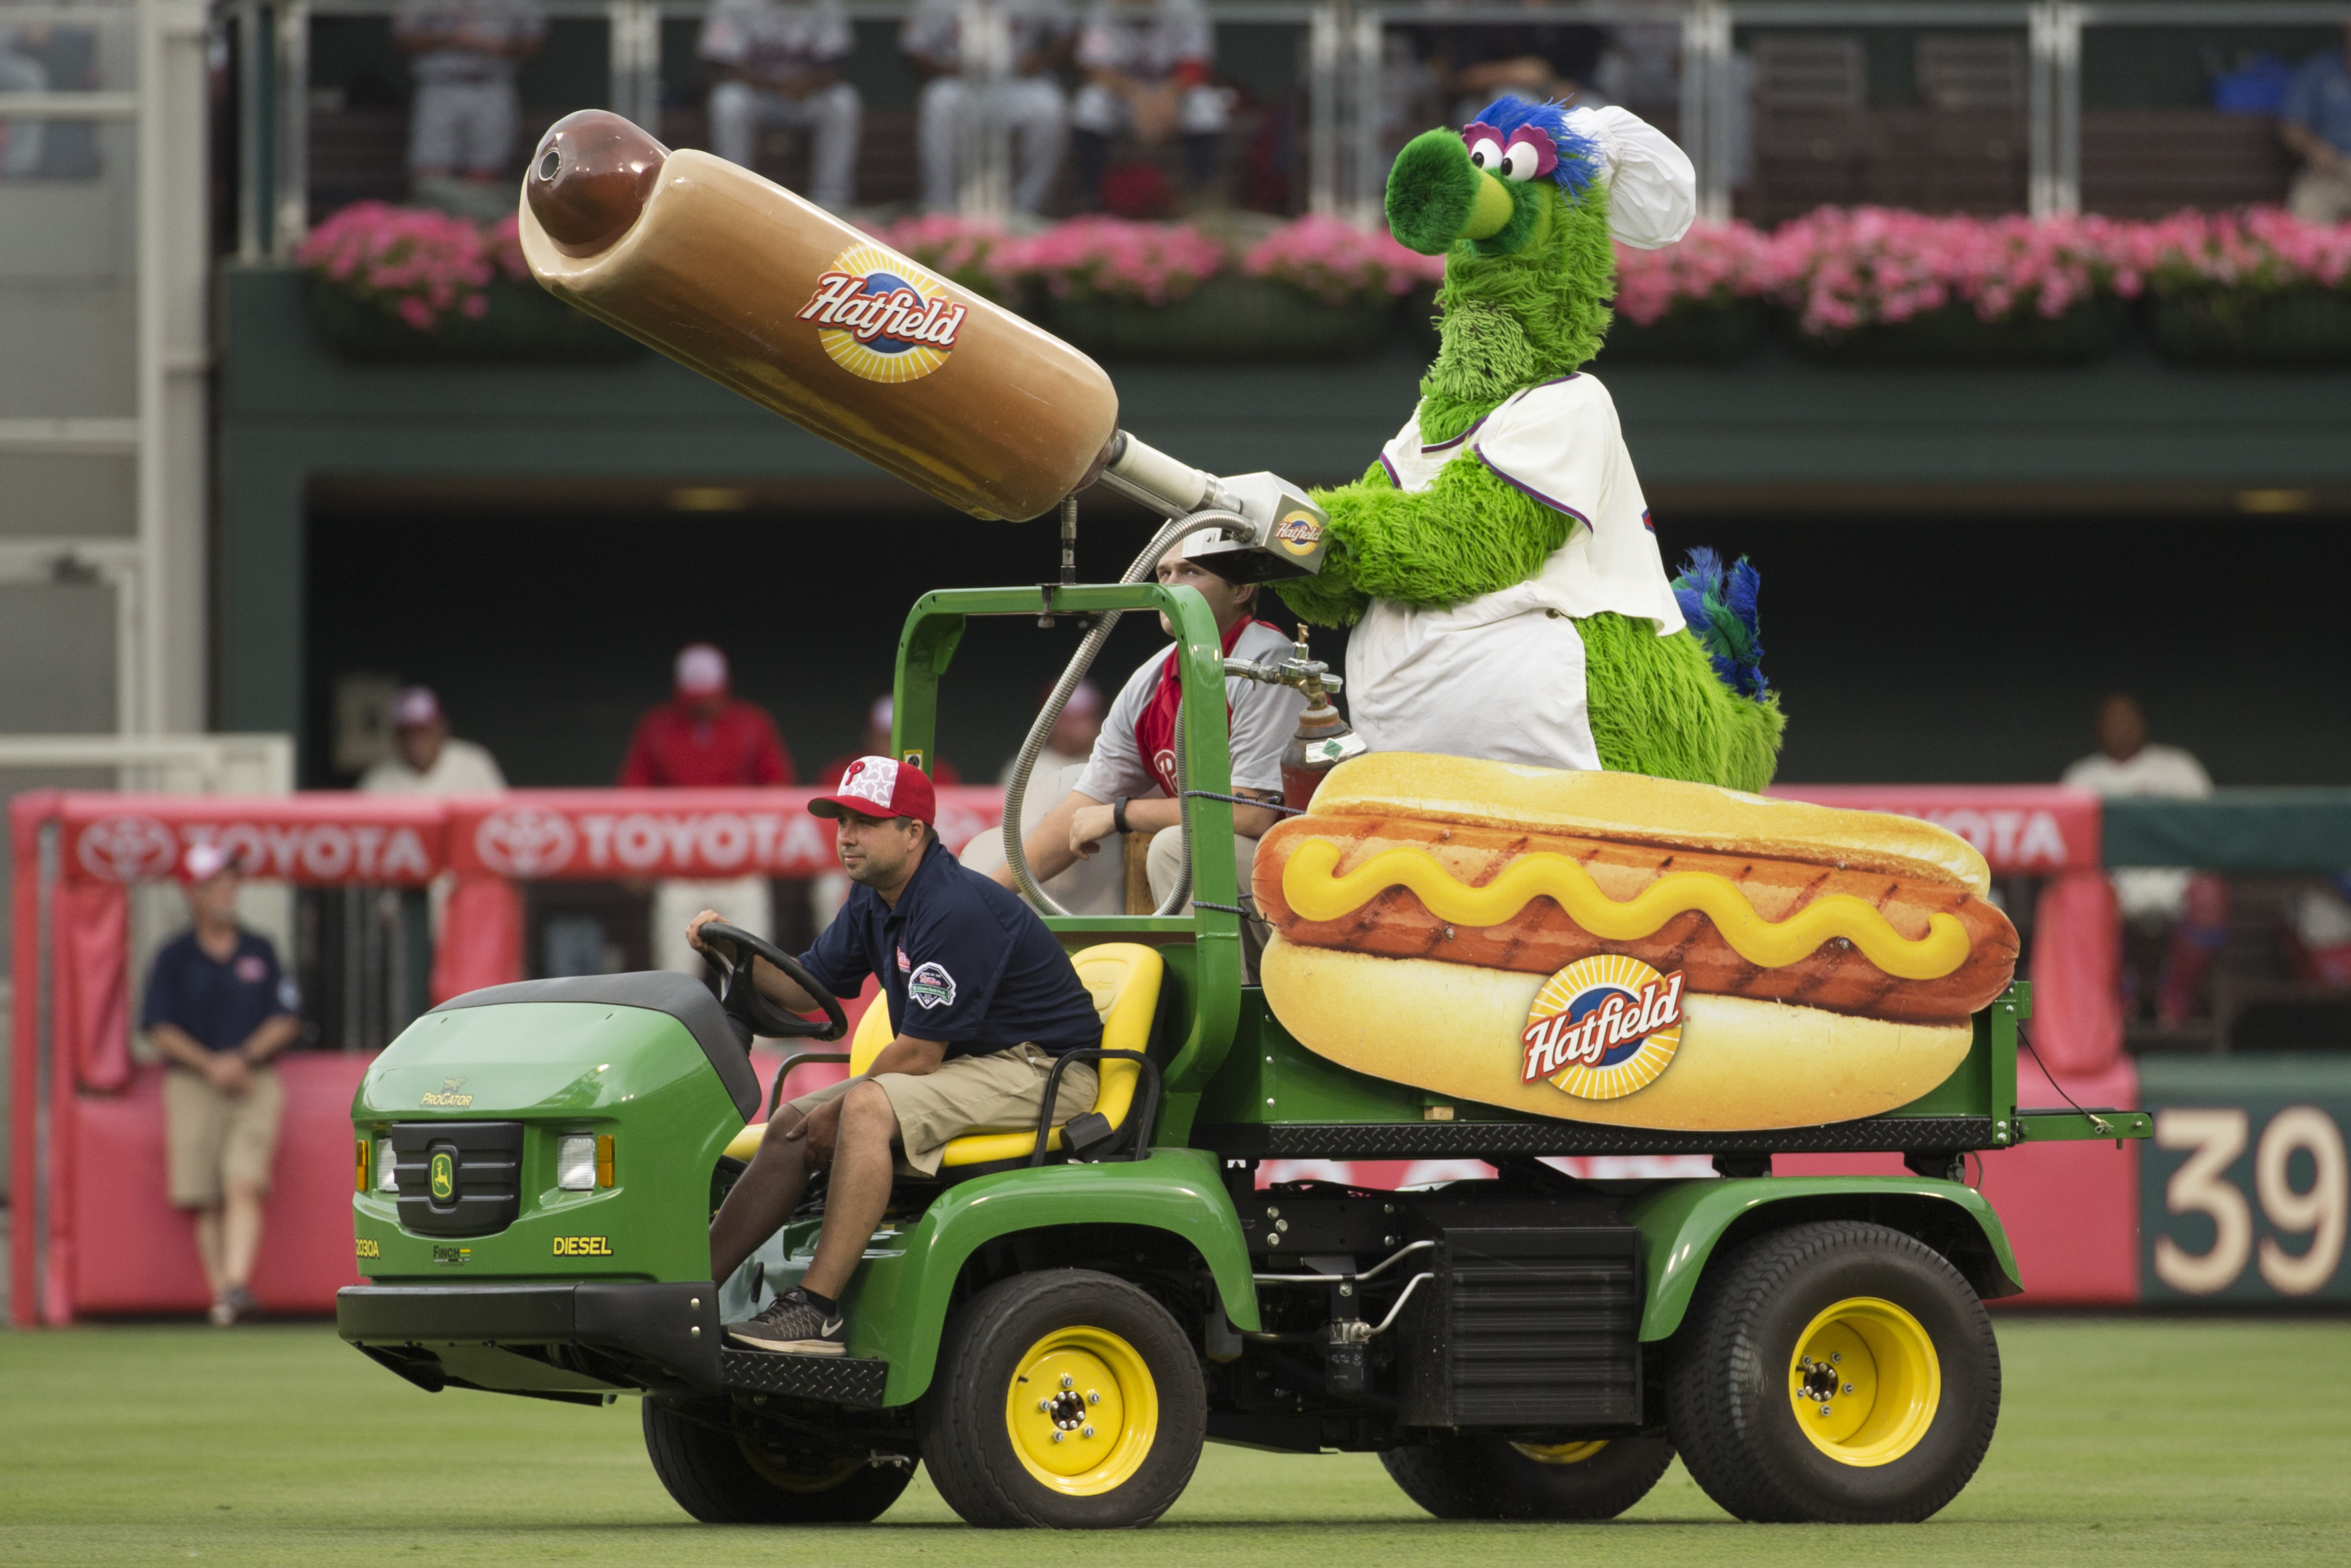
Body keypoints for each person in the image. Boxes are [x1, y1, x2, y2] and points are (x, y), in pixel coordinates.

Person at [695, 757, 1102, 1354]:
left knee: (862, 1107)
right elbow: (809, 983)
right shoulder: (874, 898)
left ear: (913, 832)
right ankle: (687, 1291)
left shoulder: (953, 907)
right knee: (787, 1125)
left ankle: (816, 1311)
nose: (846, 836)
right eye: (840, 821)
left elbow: (917, 1056)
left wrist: (836, 1113)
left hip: (1044, 1070)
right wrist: (733, 949)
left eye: (864, 822)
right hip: (974, 1062)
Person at [995, 531, 1303, 913]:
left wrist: (1122, 814)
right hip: (1244, 877)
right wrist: (985, 892)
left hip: (1303, 866)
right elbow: (1081, 807)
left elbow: (1252, 813)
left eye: (1190, 572)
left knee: (1176, 846)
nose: (1171, 587)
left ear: (1241, 589)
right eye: (1164, 573)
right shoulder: (1151, 679)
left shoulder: (1267, 661)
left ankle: (1225, 977)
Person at [141, 843, 303, 1327]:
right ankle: (224, 1297)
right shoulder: (174, 955)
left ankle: (234, 1284)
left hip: (253, 1079)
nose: (228, 892)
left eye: (233, 882)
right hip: (193, 1081)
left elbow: (287, 1016)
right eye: (217, 883)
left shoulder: (261, 948)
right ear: (195, 893)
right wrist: (210, 1063)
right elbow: (157, 1025)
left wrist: (243, 1057)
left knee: (243, 1179)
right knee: (204, 1193)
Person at [620, 643, 795, 973]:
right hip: (679, 871)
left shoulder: (752, 724)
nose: (703, 705)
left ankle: (753, 1028)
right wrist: (636, 858)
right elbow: (633, 796)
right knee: (675, 976)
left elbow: (779, 791)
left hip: (741, 870)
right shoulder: (657, 726)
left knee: (754, 972)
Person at [2062, 692, 2227, 1026]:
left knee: (2210, 894)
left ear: (2142, 723)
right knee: (2081, 898)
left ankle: (2176, 997)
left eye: (2128, 719)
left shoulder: (2178, 767)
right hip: (2114, 883)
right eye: (2112, 721)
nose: (2121, 728)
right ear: (2099, 729)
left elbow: (2212, 831)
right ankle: (2119, 999)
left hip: (2175, 879)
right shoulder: (2082, 777)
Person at [960, 679, 1118, 914]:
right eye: (1071, 718)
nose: (1081, 726)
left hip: (1103, 891)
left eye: (1088, 716)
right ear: (1053, 719)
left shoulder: (1115, 764)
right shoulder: (1025, 767)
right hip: (1040, 890)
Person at [902, 0, 1072, 215]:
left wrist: (1042, 61)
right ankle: (940, 208)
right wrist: (945, 68)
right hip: (960, 82)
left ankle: (1028, 208)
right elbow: (913, 46)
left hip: (1016, 82)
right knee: (938, 100)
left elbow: (1068, 30)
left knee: (1050, 106)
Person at [700, 0, 863, 211]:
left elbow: (835, 64)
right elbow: (720, 64)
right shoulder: (734, 5)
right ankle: (735, 194)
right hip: (756, 95)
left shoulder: (826, 6)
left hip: (804, 98)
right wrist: (774, 85)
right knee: (728, 100)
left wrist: (808, 83)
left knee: (843, 101)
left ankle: (831, 199)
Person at [1069, 0, 1229, 210]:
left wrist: (1166, 97)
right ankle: (1091, 200)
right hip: (1124, 98)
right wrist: (1137, 96)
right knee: (1090, 103)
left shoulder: (1185, 7)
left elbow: (1196, 65)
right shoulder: (1104, 9)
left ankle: (1198, 199)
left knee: (1204, 107)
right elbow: (1094, 69)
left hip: (1173, 96)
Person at [395, 0, 545, 218]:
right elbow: (404, 37)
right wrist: (452, 39)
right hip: (440, 83)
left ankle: (478, 237)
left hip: (492, 83)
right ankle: (433, 236)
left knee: (487, 171)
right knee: (430, 172)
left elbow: (534, 42)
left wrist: (497, 45)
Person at [359, 686, 507, 795]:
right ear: (396, 737)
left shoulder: (474, 765)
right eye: (408, 733)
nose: (416, 741)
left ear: (442, 728)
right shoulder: (378, 779)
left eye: (424, 731)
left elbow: (498, 820)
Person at [2282, 24, 2351, 222]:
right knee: (2309, 204)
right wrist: (2315, 149)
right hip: (2333, 170)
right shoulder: (2319, 71)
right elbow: (2291, 127)